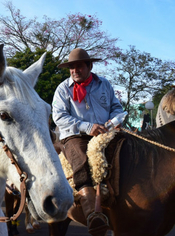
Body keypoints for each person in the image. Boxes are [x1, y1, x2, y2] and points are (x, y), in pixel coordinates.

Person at [52, 48, 124, 236]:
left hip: (105, 132)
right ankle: (92, 213)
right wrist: (87, 126)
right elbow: (59, 117)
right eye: (71, 67)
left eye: (79, 66)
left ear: (89, 66)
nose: (74, 70)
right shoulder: (62, 89)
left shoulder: (104, 84)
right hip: (76, 135)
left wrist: (113, 120)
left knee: (127, 149)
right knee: (80, 158)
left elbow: (117, 107)